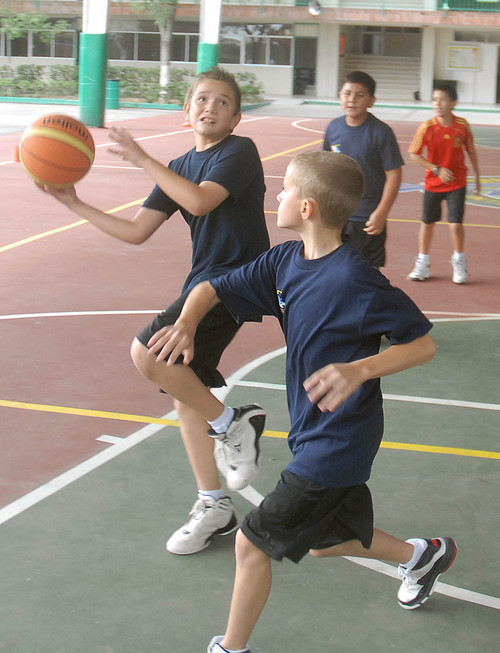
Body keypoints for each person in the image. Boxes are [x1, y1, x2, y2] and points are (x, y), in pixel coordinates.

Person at [147, 151, 457, 653]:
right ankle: (422, 555)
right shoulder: (284, 261)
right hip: (312, 430)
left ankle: (231, 648)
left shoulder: (355, 280)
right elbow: (211, 287)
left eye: (286, 190)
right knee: (327, 541)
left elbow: (421, 343)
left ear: (308, 207)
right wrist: (185, 322)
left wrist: (360, 368)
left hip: (341, 439)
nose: (279, 196)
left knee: (252, 543)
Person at [40, 67, 270, 556]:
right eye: (201, 99)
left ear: (236, 118)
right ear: (186, 111)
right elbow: (136, 231)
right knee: (181, 388)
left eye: (223, 102)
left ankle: (233, 424)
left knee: (146, 352)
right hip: (204, 281)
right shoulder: (179, 163)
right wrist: (73, 202)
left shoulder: (238, 152)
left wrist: (143, 159)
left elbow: (202, 202)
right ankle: (215, 504)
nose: (211, 106)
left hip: (239, 277)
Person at [322, 70, 404, 269]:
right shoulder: (333, 128)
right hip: (337, 213)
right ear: (340, 96)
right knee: (334, 267)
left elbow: (394, 174)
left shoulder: (381, 132)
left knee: (367, 272)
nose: (352, 100)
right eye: (347, 94)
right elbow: (325, 167)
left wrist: (381, 212)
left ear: (371, 100)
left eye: (360, 95)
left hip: (366, 216)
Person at [407, 83, 481, 284]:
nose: (437, 104)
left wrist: (477, 176)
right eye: (434, 99)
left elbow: (471, 151)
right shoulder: (427, 127)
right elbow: (414, 154)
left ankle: (459, 261)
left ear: (453, 103)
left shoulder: (462, 126)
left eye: (442, 99)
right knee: (428, 223)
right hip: (433, 183)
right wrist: (436, 169)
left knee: (455, 225)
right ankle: (423, 263)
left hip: (457, 183)